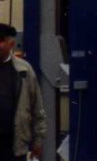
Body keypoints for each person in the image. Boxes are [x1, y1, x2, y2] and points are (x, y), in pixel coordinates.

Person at [0, 24, 45, 161]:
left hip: (15, 146)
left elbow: (37, 107)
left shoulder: (24, 70)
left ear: (11, 44)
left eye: (1, 41)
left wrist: (38, 139)